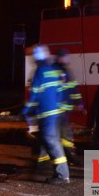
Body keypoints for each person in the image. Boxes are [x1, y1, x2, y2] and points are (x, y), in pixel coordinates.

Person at [22, 44, 69, 184]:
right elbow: (60, 91)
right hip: (55, 113)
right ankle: (57, 171)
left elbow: (34, 95)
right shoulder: (53, 70)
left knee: (51, 141)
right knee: (50, 140)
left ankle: (62, 175)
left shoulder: (40, 71)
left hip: (47, 114)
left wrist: (26, 110)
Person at [53, 48, 83, 165]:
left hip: (63, 110)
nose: (68, 58)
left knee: (63, 134)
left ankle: (66, 157)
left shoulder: (66, 71)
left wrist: (78, 102)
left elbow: (73, 88)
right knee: (64, 135)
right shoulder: (56, 71)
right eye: (65, 56)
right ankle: (69, 158)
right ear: (61, 58)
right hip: (58, 110)